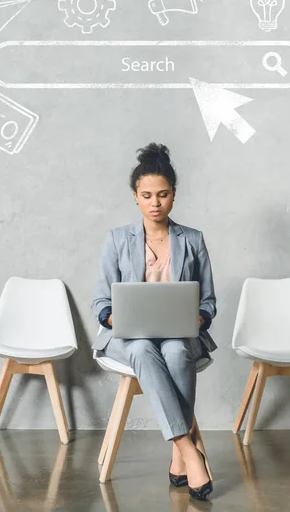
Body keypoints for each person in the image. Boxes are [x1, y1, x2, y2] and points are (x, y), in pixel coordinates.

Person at [91, 143, 217, 500]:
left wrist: (198, 316)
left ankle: (180, 457)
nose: (155, 203)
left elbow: (208, 300)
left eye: (163, 194)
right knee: (144, 349)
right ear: (136, 197)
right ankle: (188, 450)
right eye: (147, 195)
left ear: (174, 195)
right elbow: (100, 301)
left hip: (179, 333)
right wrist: (118, 317)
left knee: (177, 351)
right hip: (129, 336)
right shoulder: (117, 239)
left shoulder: (192, 240)